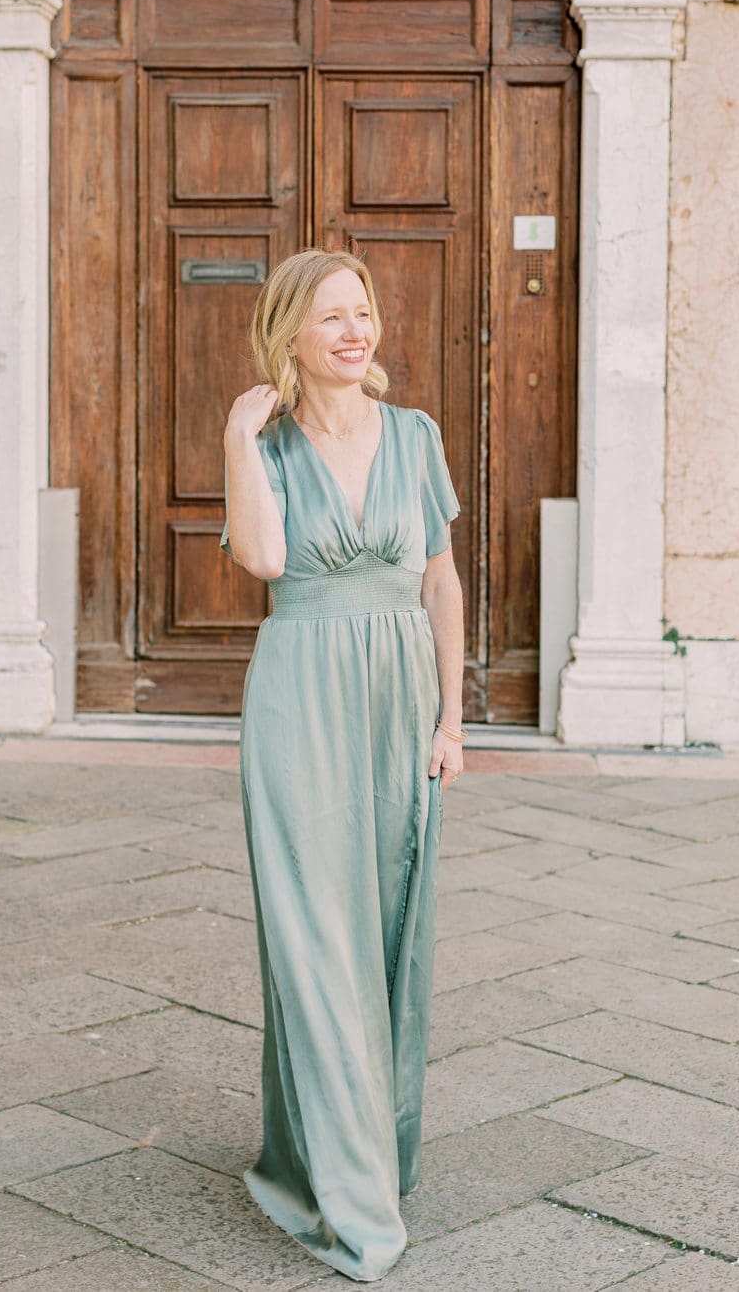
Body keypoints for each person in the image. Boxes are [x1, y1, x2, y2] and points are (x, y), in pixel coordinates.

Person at [221, 247, 466, 1282]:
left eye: (362, 312)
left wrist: (454, 719)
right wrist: (238, 430)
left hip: (400, 703)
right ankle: (357, 1208)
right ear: (290, 339)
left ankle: (348, 1149)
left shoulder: (416, 435)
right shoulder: (268, 446)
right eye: (330, 318)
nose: (355, 331)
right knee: (316, 941)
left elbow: (443, 583)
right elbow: (266, 563)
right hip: (298, 704)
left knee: (385, 935)